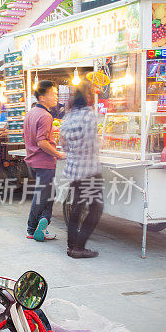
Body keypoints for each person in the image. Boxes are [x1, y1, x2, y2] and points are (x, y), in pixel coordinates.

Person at [60, 84, 103, 258]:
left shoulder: (68, 117)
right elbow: (93, 144)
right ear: (87, 98)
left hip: (73, 169)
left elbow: (63, 144)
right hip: (89, 170)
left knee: (76, 208)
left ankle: (72, 246)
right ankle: (78, 246)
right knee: (96, 208)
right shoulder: (89, 116)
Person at [24, 80, 66, 241]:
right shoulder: (45, 116)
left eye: (56, 93)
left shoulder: (31, 113)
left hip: (33, 161)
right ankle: (31, 228)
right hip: (44, 161)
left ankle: (44, 223)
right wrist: (58, 154)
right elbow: (42, 142)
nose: (55, 97)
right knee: (42, 196)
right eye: (52, 94)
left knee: (48, 194)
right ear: (42, 97)